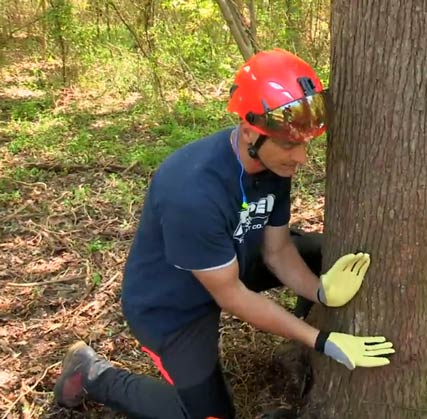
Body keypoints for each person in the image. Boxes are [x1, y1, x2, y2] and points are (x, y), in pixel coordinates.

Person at [52, 49, 396, 419]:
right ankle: (92, 374)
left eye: (305, 143)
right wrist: (322, 340)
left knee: (322, 252)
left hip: (234, 261)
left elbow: (277, 251)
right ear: (250, 131)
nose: (301, 158)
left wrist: (319, 290)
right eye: (289, 144)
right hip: (174, 307)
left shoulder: (271, 164)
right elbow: (231, 296)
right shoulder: (193, 192)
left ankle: (306, 350)